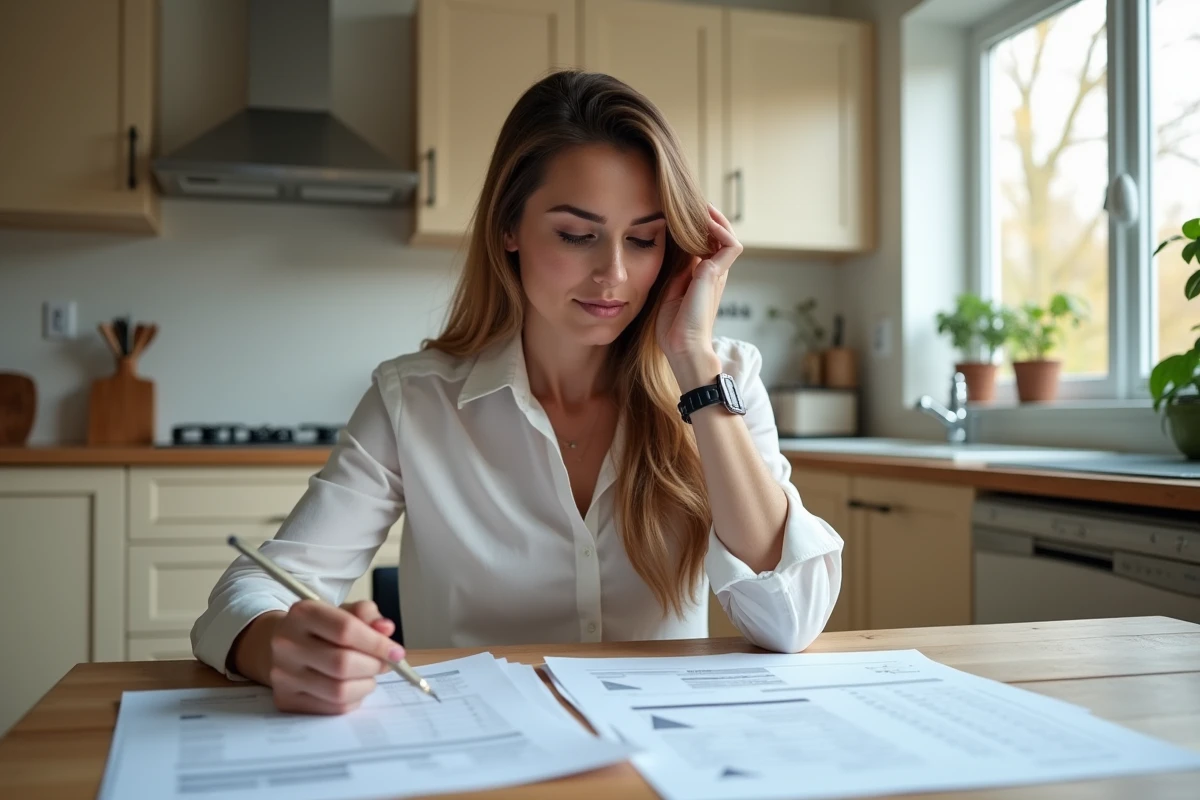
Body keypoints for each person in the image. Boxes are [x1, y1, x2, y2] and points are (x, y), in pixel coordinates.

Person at [191, 70, 844, 715]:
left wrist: (694, 365)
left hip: (661, 760)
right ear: (510, 228)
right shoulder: (412, 402)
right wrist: (277, 643)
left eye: (643, 239)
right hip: (476, 754)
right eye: (576, 234)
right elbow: (248, 591)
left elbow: (789, 620)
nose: (614, 274)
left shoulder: (720, 382)